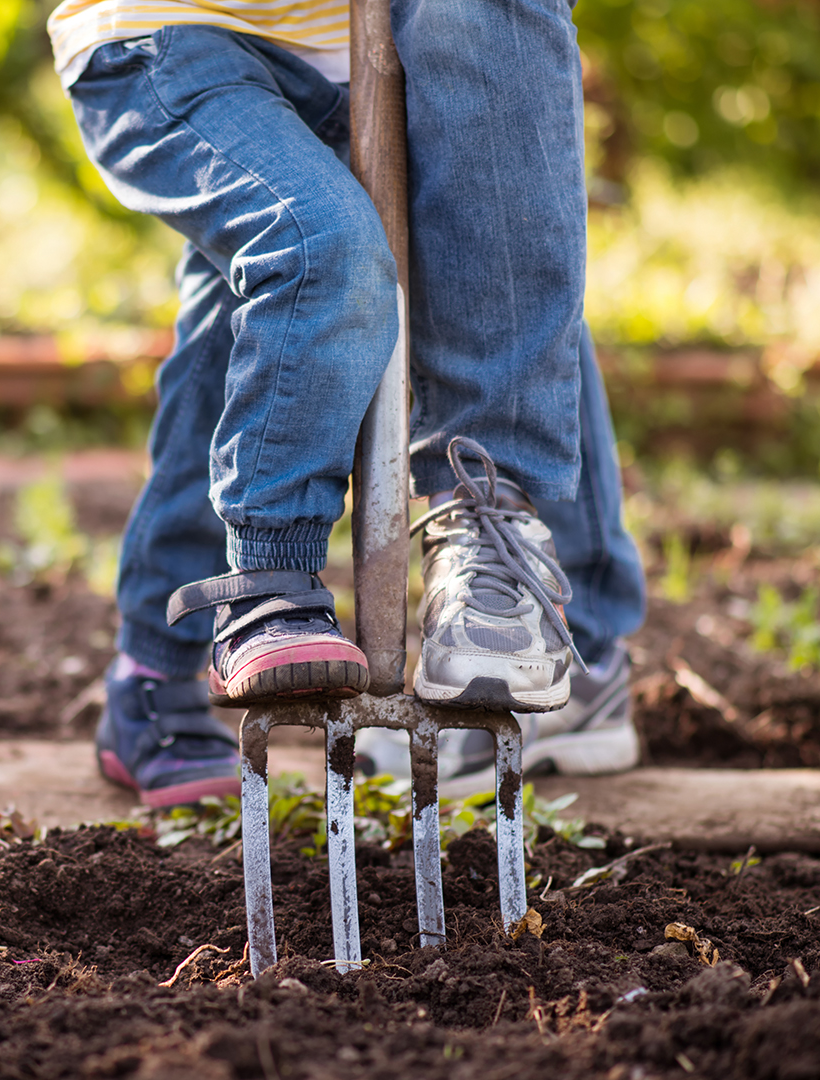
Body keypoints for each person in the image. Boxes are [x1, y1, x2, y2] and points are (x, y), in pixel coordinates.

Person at [48, 0, 646, 807]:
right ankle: (204, 632)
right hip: (174, 25)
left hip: (376, 40)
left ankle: (560, 625)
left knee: (497, 280)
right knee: (309, 260)